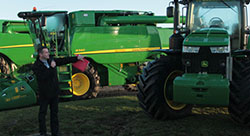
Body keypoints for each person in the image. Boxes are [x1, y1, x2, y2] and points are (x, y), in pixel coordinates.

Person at [32, 46, 84, 136]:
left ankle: (55, 132)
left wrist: (76, 58)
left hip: (54, 92)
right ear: (40, 54)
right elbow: (43, 77)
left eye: (48, 52)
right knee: (42, 113)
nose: (48, 54)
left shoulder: (50, 60)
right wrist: (52, 68)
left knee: (54, 113)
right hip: (45, 94)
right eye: (46, 52)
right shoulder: (36, 66)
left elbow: (63, 61)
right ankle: (43, 132)